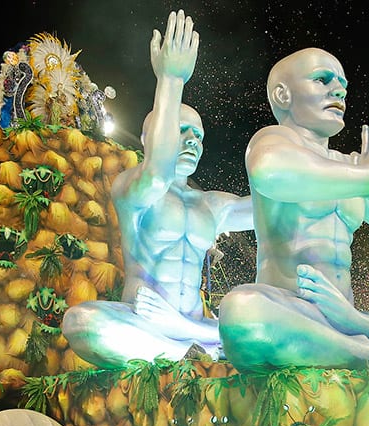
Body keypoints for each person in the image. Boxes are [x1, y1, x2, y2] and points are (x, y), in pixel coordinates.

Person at [217, 47, 369, 374]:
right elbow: (269, 172)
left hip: (344, 320)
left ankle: (358, 332)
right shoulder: (273, 140)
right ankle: (366, 355)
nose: (338, 90)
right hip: (290, 314)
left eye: (342, 84)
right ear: (283, 94)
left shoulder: (353, 168)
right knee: (242, 311)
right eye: (322, 80)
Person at [62, 9, 253, 368]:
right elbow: (159, 174)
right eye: (182, 131)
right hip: (145, 322)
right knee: (82, 323)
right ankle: (194, 351)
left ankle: (195, 339)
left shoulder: (213, 206)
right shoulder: (134, 188)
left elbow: (272, 208)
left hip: (193, 323)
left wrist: (331, 168)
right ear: (150, 137)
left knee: (262, 313)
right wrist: (170, 81)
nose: (192, 142)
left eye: (198, 136)